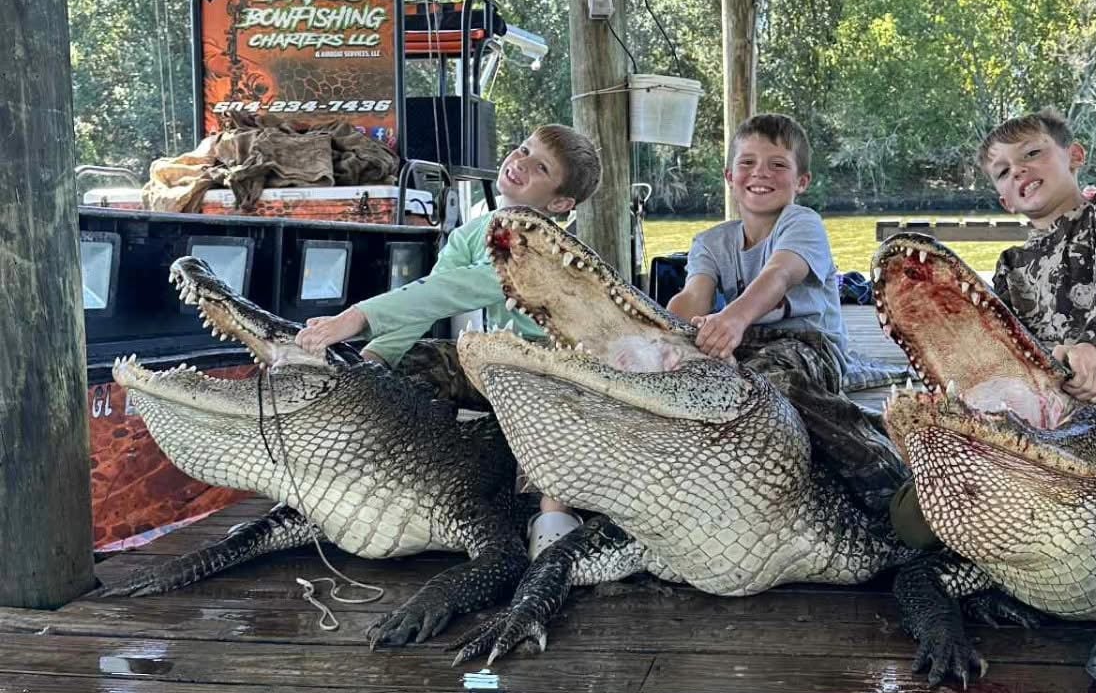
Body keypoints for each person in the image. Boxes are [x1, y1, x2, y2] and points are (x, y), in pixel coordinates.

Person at [909, 106, 1096, 693]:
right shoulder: (1011, 265)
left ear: (1073, 157)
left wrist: (1093, 345)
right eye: (1000, 171)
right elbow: (1001, 347)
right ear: (1001, 199)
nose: (1017, 170)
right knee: (908, 518)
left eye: (1031, 154)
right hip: (1050, 416)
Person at [294, 123, 602, 553]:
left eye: (541, 166)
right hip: (490, 361)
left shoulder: (542, 248)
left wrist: (358, 316)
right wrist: (376, 356)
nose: (521, 163)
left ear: (560, 202)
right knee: (400, 366)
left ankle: (554, 508)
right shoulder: (470, 234)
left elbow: (457, 290)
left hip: (547, 369)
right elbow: (428, 300)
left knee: (552, 396)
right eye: (522, 148)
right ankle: (384, 476)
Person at [667, 113, 902, 513]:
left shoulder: (803, 223)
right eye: (747, 163)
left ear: (801, 181)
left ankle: (888, 476)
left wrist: (734, 319)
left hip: (810, 343)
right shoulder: (709, 242)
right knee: (695, 385)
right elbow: (693, 298)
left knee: (770, 387)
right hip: (741, 343)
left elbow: (779, 275)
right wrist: (665, 332)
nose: (761, 173)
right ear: (729, 175)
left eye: (778, 164)